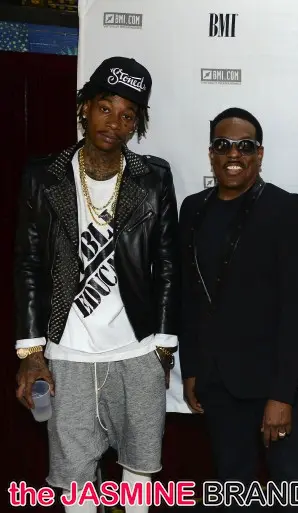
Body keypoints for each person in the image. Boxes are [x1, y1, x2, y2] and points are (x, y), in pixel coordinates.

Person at [13, 56, 179, 513]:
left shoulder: (153, 178)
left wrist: (163, 347)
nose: (114, 122)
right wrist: (31, 353)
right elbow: (28, 264)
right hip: (67, 351)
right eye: (106, 108)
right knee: (75, 482)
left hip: (137, 349)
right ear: (85, 107)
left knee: (139, 475)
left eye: (128, 115)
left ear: (137, 124)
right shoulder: (43, 176)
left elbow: (168, 264)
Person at [178, 107, 298, 512]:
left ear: (260, 153)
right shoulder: (193, 209)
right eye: (223, 145)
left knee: (293, 493)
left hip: (274, 383)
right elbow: (190, 297)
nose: (233, 154)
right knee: (233, 490)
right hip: (218, 384)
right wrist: (192, 369)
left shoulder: (287, 208)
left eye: (245, 146)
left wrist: (282, 395)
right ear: (211, 153)